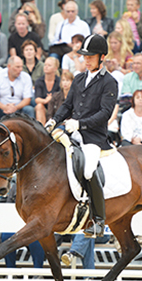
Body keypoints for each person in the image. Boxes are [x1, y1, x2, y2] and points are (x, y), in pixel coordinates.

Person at [46, 34, 118, 238]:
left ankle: (99, 221)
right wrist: (54, 120)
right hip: (72, 132)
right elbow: (68, 105)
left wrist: (81, 123)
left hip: (95, 138)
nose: (86, 59)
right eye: (84, 56)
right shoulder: (78, 79)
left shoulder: (109, 82)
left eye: (91, 56)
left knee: (88, 170)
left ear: (101, 57)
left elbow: (105, 113)